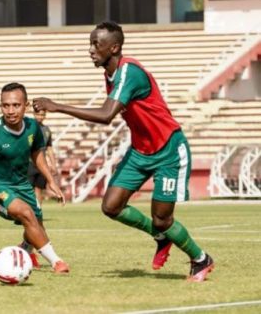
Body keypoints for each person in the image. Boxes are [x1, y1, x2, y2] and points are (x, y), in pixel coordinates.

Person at [33, 21, 214, 282]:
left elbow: (107, 115)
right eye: (90, 43)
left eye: (97, 44)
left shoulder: (129, 71)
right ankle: (161, 236)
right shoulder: (110, 74)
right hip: (141, 151)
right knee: (111, 206)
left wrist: (56, 106)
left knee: (163, 219)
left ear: (114, 47)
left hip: (169, 151)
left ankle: (200, 259)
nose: (91, 50)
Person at [0, 82, 69, 274]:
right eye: (5, 105)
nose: (10, 110)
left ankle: (25, 250)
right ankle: (58, 262)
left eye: (16, 105)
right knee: (26, 213)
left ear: (26, 106)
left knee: (36, 225)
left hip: (21, 184)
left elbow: (37, 154)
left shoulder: (33, 127)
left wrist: (50, 180)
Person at [27, 109, 58, 206]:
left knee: (39, 189)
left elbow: (49, 148)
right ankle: (26, 213)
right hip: (29, 163)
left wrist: (53, 164)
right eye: (38, 114)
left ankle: (37, 213)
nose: (40, 117)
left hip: (42, 164)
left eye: (42, 115)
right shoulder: (28, 128)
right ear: (34, 114)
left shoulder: (47, 130)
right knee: (28, 189)